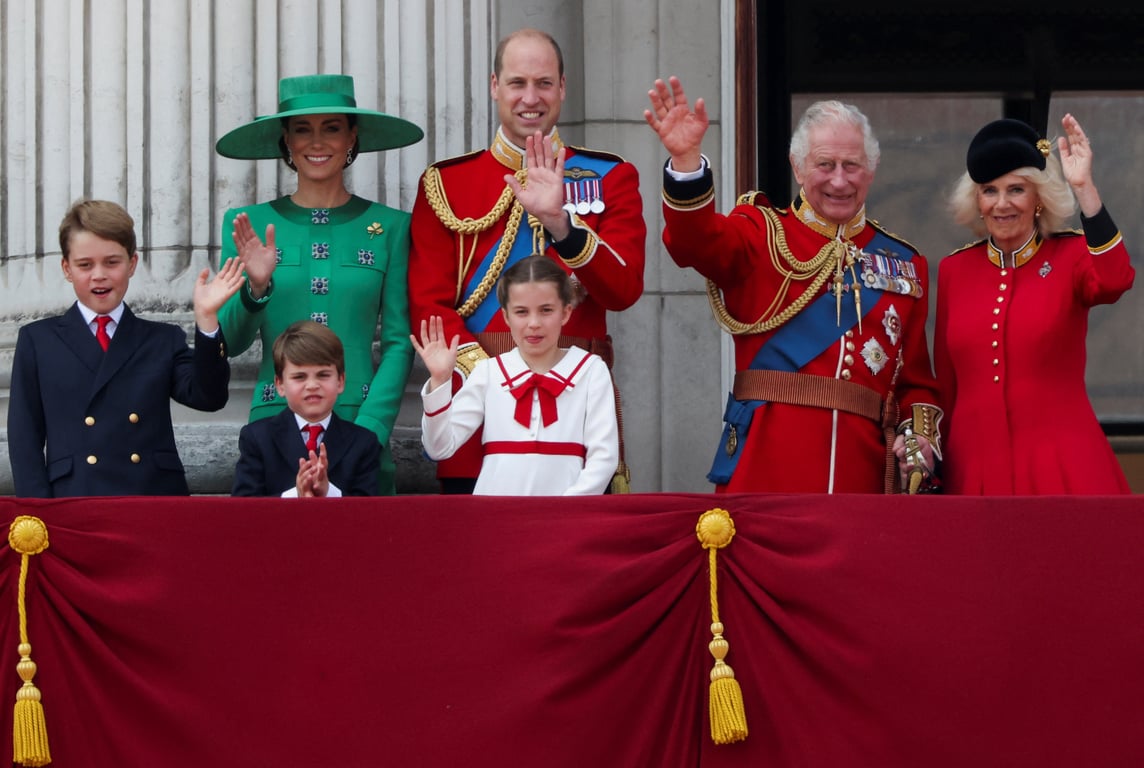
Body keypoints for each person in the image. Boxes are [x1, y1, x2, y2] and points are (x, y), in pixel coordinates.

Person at [644, 76, 943, 493]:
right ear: (797, 166)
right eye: (825, 165)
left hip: (863, 480)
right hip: (767, 471)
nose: (839, 181)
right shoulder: (759, 233)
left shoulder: (904, 263)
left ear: (871, 170)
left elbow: (916, 383)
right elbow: (694, 242)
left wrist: (920, 439)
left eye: (851, 166)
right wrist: (687, 163)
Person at [408, 28, 645, 494]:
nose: (530, 98)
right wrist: (498, 377)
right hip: (478, 418)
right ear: (495, 86)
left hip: (575, 411)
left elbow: (624, 290)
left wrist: (563, 225)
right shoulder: (447, 183)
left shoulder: (610, 176)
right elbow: (427, 305)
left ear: (563, 87)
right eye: (517, 83)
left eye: (544, 83)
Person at [215, 73, 422, 495]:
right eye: (302, 130)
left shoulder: (392, 228)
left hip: (360, 424)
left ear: (352, 137)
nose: (317, 142)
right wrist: (254, 289)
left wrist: (370, 429)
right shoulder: (248, 224)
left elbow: (400, 342)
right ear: (286, 140)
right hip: (274, 429)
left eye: (332, 128)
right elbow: (230, 343)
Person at [934, 115, 1135, 494]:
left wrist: (1084, 189)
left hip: (1061, 464)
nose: (1002, 204)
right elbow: (947, 383)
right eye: (989, 191)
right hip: (974, 468)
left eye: (1016, 190)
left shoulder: (1071, 254)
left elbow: (1116, 279)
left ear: (1039, 198)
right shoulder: (954, 270)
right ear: (976, 200)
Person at [7, 199, 244, 497]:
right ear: (67, 269)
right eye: (85, 265)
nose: (99, 275)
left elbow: (208, 397)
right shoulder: (38, 340)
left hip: (151, 497)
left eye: (111, 262)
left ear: (131, 264)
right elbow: (24, 436)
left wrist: (207, 319)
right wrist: (37, 514)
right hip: (74, 498)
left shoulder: (162, 339)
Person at [412, 254, 619, 495]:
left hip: (566, 517)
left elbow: (604, 458)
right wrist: (440, 380)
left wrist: (567, 508)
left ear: (565, 313)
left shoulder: (591, 370)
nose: (534, 323)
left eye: (546, 310)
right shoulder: (488, 372)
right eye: (521, 312)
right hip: (495, 517)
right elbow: (439, 448)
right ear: (506, 317)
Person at [231, 320, 381, 497]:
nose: (312, 385)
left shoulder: (363, 442)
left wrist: (329, 493)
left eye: (323, 375)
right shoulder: (257, 438)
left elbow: (368, 512)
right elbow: (244, 509)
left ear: (340, 381)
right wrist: (297, 494)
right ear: (280, 385)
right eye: (299, 377)